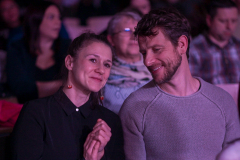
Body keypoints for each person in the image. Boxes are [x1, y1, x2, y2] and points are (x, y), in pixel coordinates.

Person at [119, 7, 240, 160]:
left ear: (182, 44)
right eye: (144, 53)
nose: (147, 61)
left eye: (156, 49)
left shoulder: (223, 101)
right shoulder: (135, 106)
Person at [11, 32, 125, 160]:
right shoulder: (36, 112)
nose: (101, 70)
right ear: (70, 62)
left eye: (107, 65)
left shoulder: (111, 121)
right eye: (93, 60)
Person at [6, 1, 71, 104]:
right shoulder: (17, 48)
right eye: (51, 17)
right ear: (35, 20)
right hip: (28, 111)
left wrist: (37, 88)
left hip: (61, 109)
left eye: (59, 17)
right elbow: (20, 89)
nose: (58, 22)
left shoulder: (69, 47)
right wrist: (64, 85)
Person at [104, 10, 152, 114]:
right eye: (126, 31)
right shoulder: (102, 73)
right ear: (111, 39)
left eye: (138, 31)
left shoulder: (156, 68)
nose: (133, 37)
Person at [189, 0, 240, 84]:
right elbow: (191, 87)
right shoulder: (194, 49)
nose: (229, 27)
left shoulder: (238, 45)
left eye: (233, 21)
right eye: (223, 21)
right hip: (211, 96)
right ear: (209, 20)